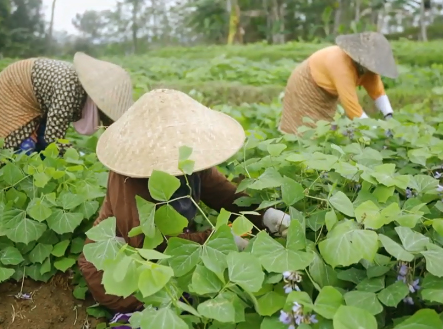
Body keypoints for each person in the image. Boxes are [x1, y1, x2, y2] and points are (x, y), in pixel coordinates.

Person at [77, 89, 293, 324]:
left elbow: (226, 196)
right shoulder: (129, 177)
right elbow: (146, 244)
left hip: (177, 254)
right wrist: (217, 240)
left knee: (192, 295)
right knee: (156, 312)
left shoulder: (193, 161)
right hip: (122, 266)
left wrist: (265, 215)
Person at [0, 52, 134, 156]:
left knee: (42, 144)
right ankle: (24, 183)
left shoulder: (86, 91)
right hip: (14, 87)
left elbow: (110, 124)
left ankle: (43, 174)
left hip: (39, 96)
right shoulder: (69, 89)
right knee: (23, 146)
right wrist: (77, 156)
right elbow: (53, 137)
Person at [278, 32, 399, 135]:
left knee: (325, 127)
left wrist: (389, 116)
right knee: (306, 130)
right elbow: (352, 108)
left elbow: (378, 92)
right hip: (306, 84)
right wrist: (377, 131)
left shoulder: (369, 69)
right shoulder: (341, 66)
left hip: (327, 91)